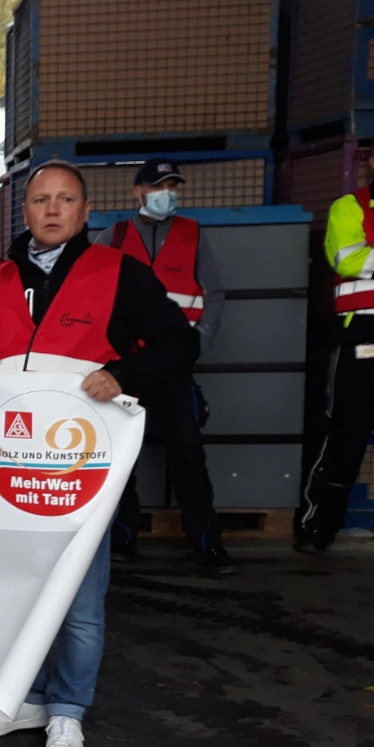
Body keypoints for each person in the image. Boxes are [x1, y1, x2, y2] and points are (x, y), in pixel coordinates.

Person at [0, 159, 199, 747]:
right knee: (16, 588)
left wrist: (124, 375)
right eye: (41, 200)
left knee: (81, 599)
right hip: (9, 463)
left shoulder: (120, 273)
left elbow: (180, 341)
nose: (54, 210)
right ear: (26, 210)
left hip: (83, 465)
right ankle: (24, 700)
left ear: (85, 211)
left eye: (66, 200)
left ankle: (68, 714)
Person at [89, 159, 230, 573]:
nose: (166, 192)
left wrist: (196, 344)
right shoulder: (111, 237)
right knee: (120, 460)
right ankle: (123, 536)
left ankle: (207, 542)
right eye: (157, 186)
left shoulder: (193, 235)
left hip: (172, 367)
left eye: (171, 185)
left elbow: (214, 294)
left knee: (188, 453)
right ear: (137, 192)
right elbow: (89, 297)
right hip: (125, 369)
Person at [300, 141, 374, 552]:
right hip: (361, 337)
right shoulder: (349, 207)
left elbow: (367, 258)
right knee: (345, 437)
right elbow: (348, 259)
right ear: (371, 160)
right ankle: (319, 528)